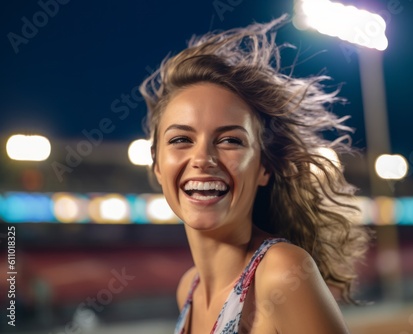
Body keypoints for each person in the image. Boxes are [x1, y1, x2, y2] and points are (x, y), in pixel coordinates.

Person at [140, 15, 369, 334]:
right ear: (157, 167)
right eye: (181, 140)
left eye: (231, 140)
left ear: (263, 168)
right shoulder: (187, 289)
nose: (203, 158)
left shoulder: (282, 271)